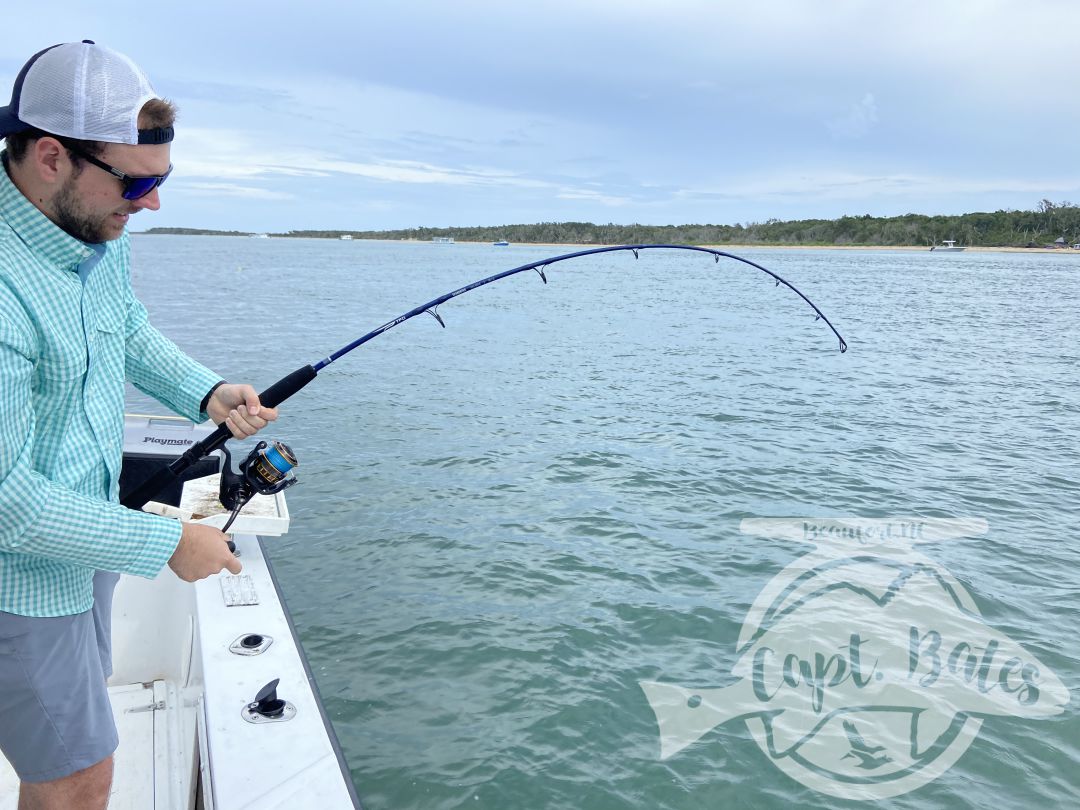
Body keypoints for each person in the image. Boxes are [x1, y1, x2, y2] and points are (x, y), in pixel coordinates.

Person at [0, 41, 278, 809]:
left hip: (82, 544)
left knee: (69, 742)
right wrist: (169, 544)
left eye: (163, 179)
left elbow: (124, 327)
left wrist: (208, 392)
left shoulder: (92, 230)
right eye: (139, 181)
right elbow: (9, 501)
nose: (152, 203)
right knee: (77, 778)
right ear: (52, 157)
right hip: (17, 575)